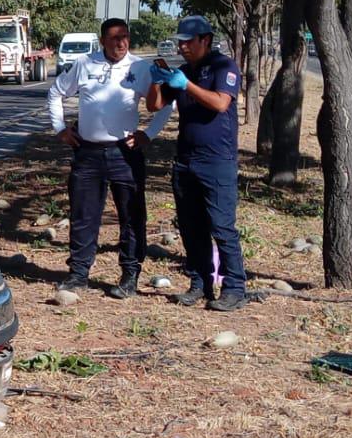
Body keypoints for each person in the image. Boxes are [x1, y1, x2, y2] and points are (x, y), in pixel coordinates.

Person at [46, 17, 175, 298]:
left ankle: (130, 275)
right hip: (88, 153)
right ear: (102, 40)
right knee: (83, 215)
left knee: (131, 216)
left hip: (124, 154)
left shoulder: (141, 68)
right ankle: (79, 274)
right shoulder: (85, 63)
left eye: (125, 37)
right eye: (115, 38)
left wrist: (149, 134)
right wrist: (59, 129)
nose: (121, 43)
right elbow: (56, 92)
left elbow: (165, 104)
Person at [149, 16, 246, 311]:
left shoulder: (223, 67)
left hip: (217, 160)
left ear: (205, 39)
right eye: (180, 42)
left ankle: (234, 288)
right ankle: (199, 284)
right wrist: (157, 80)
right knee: (191, 228)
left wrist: (186, 85)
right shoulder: (183, 71)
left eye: (188, 42)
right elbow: (154, 105)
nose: (182, 47)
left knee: (222, 227)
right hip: (186, 160)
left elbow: (220, 103)